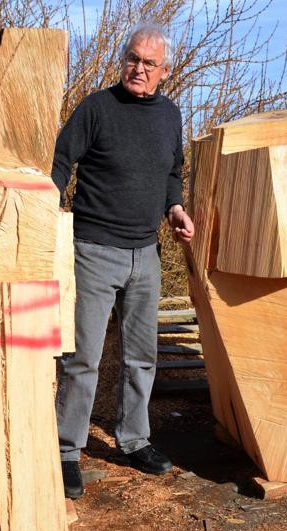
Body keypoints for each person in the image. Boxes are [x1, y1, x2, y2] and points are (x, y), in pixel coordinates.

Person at [51, 22, 195, 499]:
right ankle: (67, 450)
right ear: (123, 61)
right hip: (92, 249)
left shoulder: (170, 116)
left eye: (148, 63)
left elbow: (173, 172)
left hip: (146, 252)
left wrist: (174, 207)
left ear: (164, 71)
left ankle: (134, 440)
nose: (138, 68)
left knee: (141, 356)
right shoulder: (96, 108)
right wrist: (46, 216)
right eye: (132, 59)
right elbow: (60, 160)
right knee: (83, 358)